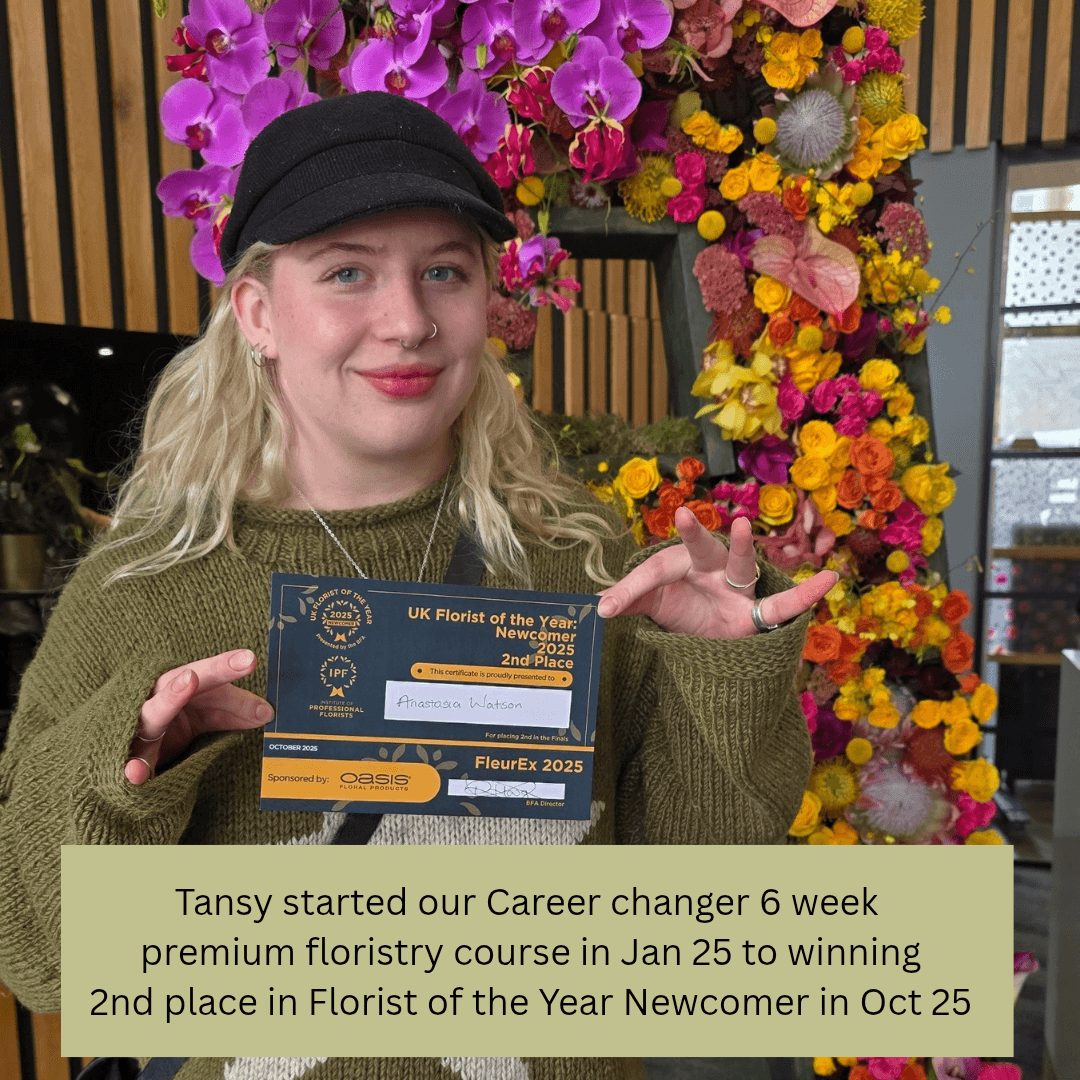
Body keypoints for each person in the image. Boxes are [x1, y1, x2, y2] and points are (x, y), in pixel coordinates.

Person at [0, 92, 835, 1079]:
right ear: (258, 313)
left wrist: (720, 669)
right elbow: (45, 962)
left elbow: (698, 913)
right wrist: (124, 766)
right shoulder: (139, 590)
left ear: (487, 300)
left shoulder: (584, 566)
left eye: (443, 272)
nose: (405, 322)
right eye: (347, 272)